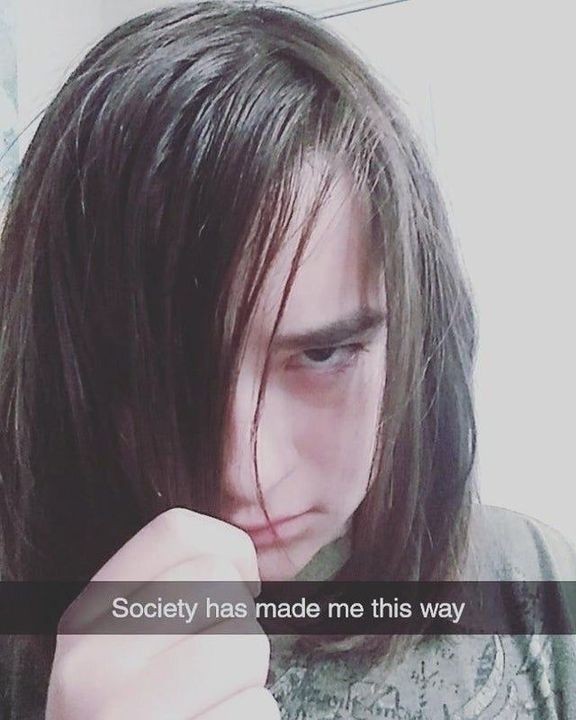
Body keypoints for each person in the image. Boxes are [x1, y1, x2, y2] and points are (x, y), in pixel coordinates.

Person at [1, 1, 575, 718]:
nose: (248, 475)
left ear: (414, 335)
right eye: (168, 378)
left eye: (323, 353)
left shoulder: (532, 584)